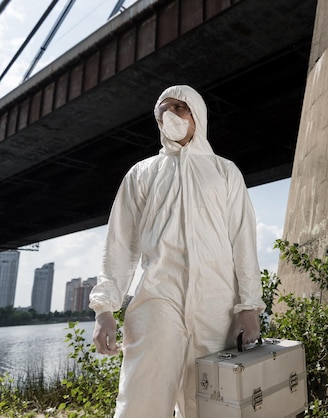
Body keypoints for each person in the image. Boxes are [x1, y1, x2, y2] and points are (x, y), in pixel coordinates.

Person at [89, 85, 266, 418]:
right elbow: (120, 244)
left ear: (197, 114)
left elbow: (243, 242)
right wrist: (104, 310)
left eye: (180, 108)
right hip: (158, 300)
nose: (171, 115)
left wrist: (249, 306)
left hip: (218, 306)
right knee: (140, 403)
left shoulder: (224, 172)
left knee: (213, 406)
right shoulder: (142, 174)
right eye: (163, 111)